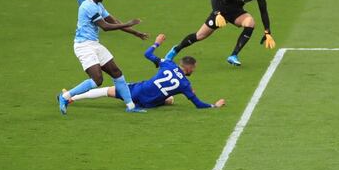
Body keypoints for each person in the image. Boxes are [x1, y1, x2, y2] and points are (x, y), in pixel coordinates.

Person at [57, 0, 149, 115]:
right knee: (97, 80)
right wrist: (128, 23)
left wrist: (135, 32)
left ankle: (130, 106)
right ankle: (64, 97)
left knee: (116, 72)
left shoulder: (98, 5)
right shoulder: (88, 6)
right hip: (83, 46)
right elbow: (105, 26)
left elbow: (114, 21)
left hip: (94, 44)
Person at [68, 34, 226, 110]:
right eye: (195, 68)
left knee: (106, 91)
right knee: (170, 99)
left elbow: (147, 55)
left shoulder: (168, 64)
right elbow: (198, 104)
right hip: (149, 103)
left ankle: (72, 97)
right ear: (189, 68)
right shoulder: (185, 84)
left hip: (138, 91)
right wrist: (214, 105)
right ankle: (72, 97)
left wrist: (156, 44)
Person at [164, 0, 275, 67]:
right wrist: (217, 13)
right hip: (221, 11)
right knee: (200, 36)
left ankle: (233, 56)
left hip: (236, 13)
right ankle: (176, 49)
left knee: (250, 22)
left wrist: (267, 31)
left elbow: (263, 11)